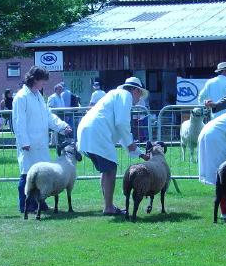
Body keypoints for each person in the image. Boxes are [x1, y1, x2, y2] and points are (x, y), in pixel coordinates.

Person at [77, 76, 148, 215]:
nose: (139, 99)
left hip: (87, 131)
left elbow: (120, 132)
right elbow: (122, 123)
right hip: (97, 132)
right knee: (110, 169)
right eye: (140, 94)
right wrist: (131, 143)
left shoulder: (115, 95)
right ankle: (108, 207)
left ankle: (108, 206)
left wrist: (139, 153)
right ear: (135, 90)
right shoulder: (125, 95)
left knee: (107, 170)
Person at [12, 66, 72, 213]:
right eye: (43, 82)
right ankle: (25, 206)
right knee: (27, 175)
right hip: (28, 144)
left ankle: (40, 204)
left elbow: (48, 116)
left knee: (43, 175)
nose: (44, 85)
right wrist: (24, 142)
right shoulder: (21, 97)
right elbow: (18, 122)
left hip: (41, 142)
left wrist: (62, 126)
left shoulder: (38, 95)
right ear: (35, 79)